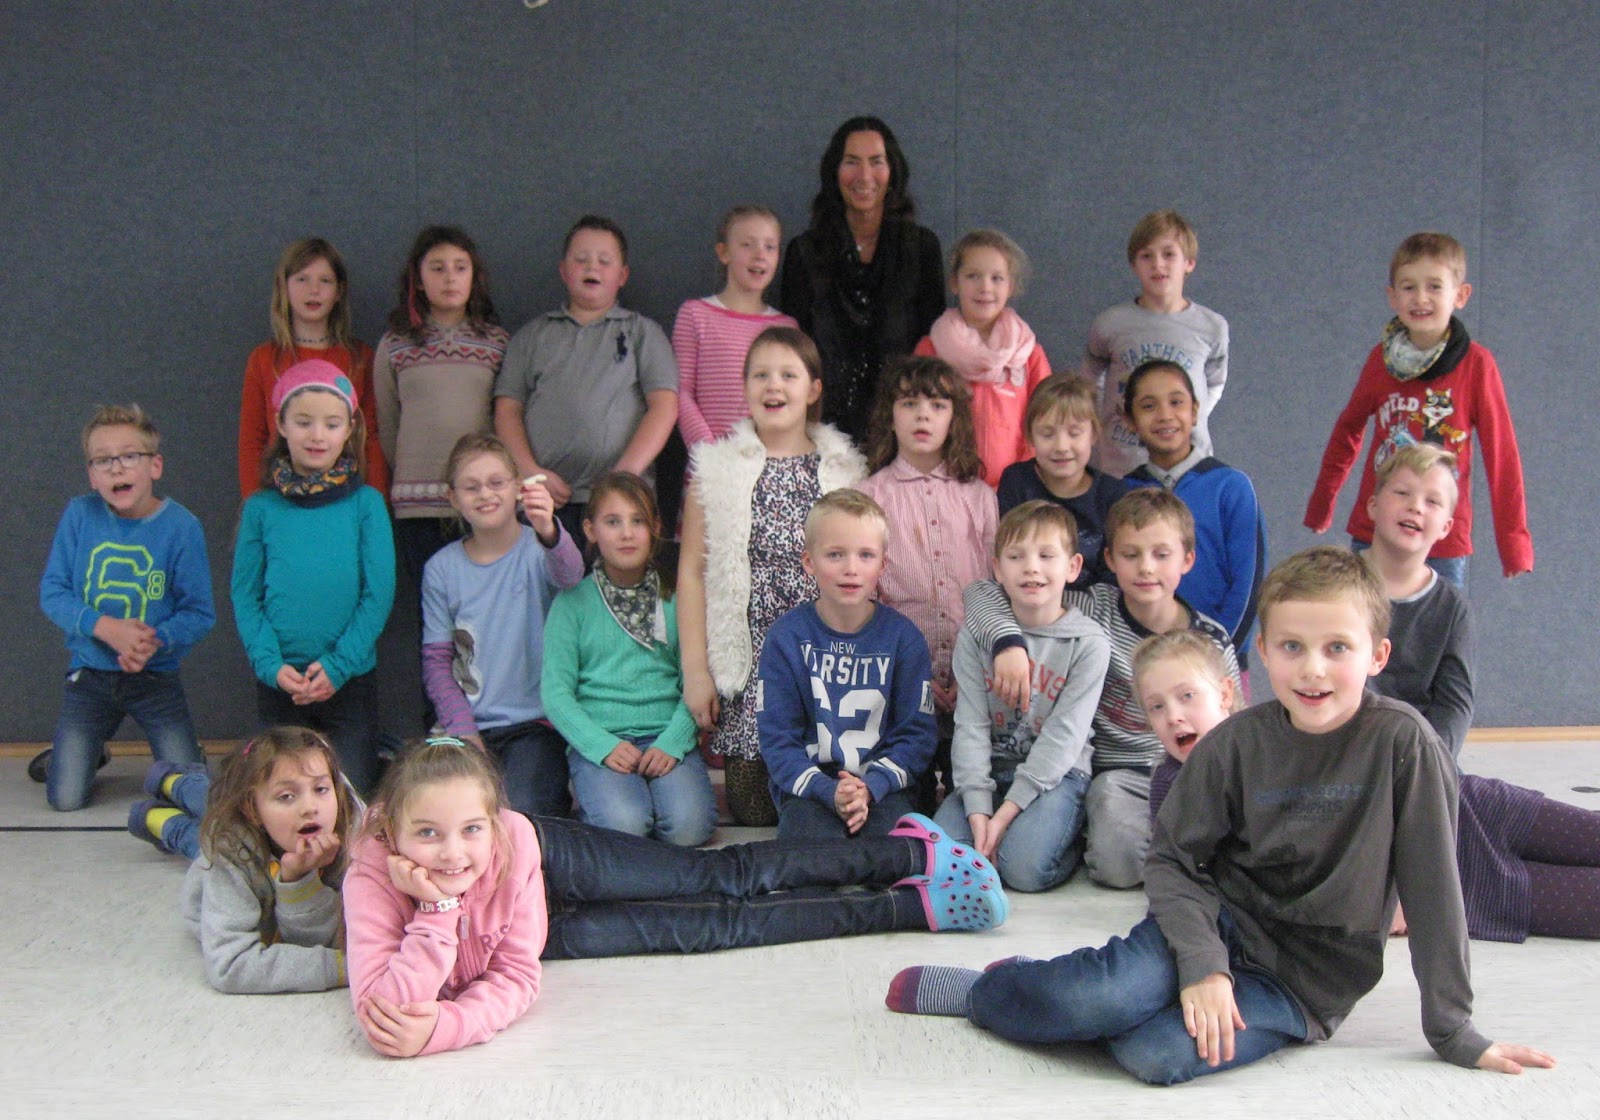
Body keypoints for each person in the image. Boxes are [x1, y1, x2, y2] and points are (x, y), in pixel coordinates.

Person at [888, 547, 1556, 1085]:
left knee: (1155, 1055)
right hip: (1215, 924)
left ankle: (1089, 995)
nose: (1313, 670)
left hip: (1303, 984)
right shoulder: (1234, 745)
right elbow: (1173, 860)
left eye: (1337, 648)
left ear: (1377, 655)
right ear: (1261, 652)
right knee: (1093, 1002)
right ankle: (1000, 989)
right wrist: (1205, 965)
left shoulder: (1405, 744)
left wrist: (1453, 1030)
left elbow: (1435, 889)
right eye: (1291, 647)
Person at [345, 738, 1007, 1057]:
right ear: (390, 833)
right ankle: (908, 907)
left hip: (546, 866)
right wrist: (437, 917)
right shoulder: (372, 878)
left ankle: (907, 853)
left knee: (717, 876)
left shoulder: (509, 838)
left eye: (469, 829)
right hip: (546, 937)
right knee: (719, 928)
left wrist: (443, 1016)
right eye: (427, 834)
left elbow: (503, 975)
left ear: (492, 822)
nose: (452, 853)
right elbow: (393, 1011)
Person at [1363, 443, 1600, 941]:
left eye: (1432, 501)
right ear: (1372, 505)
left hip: (1452, 794)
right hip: (1420, 842)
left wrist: (1426, 772)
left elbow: (1455, 707)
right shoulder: (1332, 588)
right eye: (1402, 493)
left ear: (1447, 526)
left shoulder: (1452, 608)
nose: (1415, 507)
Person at [963, 488, 1240, 888]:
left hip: (1193, 771)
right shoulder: (1095, 607)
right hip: (1117, 776)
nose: (1146, 568)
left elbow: (1235, 721)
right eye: (1131, 555)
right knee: (1115, 868)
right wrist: (1007, 642)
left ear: (1187, 560)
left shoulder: (1211, 639)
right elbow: (982, 592)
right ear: (1109, 559)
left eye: (1161, 555)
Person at [678, 326, 866, 825]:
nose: (773, 385)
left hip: (824, 663)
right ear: (744, 388)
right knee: (756, 811)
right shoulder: (714, 469)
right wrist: (696, 671)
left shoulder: (844, 469)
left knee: (826, 802)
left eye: (788, 374)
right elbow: (692, 573)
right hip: (751, 667)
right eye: (760, 375)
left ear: (813, 389)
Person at [1305, 231, 1533, 586]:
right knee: (1362, 617)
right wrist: (1323, 502)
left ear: (1461, 295)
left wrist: (1514, 542)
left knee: (1437, 621)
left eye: (1434, 287)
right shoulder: (1380, 361)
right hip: (1375, 531)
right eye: (1409, 287)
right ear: (1393, 297)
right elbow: (1348, 428)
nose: (1421, 298)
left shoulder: (1477, 365)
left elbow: (1501, 454)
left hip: (1440, 541)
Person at [36, 405, 214, 808]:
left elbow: (199, 613)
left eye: (130, 456)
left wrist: (154, 640)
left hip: (155, 677)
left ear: (155, 465)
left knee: (190, 793)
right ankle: (84, 751)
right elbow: (53, 591)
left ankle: (188, 752)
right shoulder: (80, 515)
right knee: (65, 798)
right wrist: (106, 628)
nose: (117, 468)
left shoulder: (182, 527)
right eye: (103, 460)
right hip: (90, 675)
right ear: (92, 475)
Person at [232, 360, 395, 795]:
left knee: (349, 799)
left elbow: (378, 595)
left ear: (349, 429)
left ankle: (374, 755)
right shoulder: (261, 507)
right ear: (281, 425)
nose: (317, 435)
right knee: (279, 796)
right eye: (304, 422)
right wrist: (271, 666)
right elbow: (246, 596)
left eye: (331, 424)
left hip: (348, 680)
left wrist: (339, 665)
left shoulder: (366, 504)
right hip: (281, 682)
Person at [936, 502, 1109, 891]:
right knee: (943, 862)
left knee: (1023, 871)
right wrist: (979, 810)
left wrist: (1003, 818)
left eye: (1046, 556)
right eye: (1016, 557)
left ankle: (1066, 833)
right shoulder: (976, 636)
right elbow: (970, 726)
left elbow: (1064, 738)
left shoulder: (1089, 643)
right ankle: (1011, 832)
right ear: (998, 569)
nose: (1031, 568)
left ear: (1073, 567)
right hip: (992, 768)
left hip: (1057, 775)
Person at [542, 473, 716, 846]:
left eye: (638, 521)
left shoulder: (676, 599)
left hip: (664, 735)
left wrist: (674, 741)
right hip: (603, 739)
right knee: (625, 826)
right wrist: (600, 746)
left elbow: (695, 679)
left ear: (656, 529)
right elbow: (555, 694)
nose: (626, 533)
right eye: (613, 522)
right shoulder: (572, 604)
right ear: (590, 530)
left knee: (688, 829)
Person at [757, 489, 937, 840]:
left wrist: (871, 787)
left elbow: (916, 735)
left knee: (892, 853)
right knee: (809, 853)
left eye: (866, 555)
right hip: (812, 790)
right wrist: (828, 791)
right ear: (809, 562)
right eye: (835, 554)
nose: (851, 569)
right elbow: (778, 739)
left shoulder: (904, 639)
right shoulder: (786, 639)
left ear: (883, 565)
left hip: (885, 788)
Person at [859, 354, 996, 810]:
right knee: (902, 809)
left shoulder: (980, 497)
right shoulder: (869, 496)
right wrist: (913, 677)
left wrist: (969, 674)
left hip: (972, 688)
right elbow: (866, 603)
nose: (923, 415)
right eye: (909, 404)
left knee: (969, 802)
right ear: (889, 415)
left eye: (937, 405)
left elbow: (995, 591)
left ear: (955, 418)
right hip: (898, 691)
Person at [421, 433, 583, 818]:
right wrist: (463, 730)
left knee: (521, 811)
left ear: (518, 488)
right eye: (471, 487)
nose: (485, 494)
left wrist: (549, 529)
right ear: (453, 498)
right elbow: (437, 662)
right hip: (465, 725)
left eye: (497, 482)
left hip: (536, 724)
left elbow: (571, 575)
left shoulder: (538, 547)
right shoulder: (441, 569)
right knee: (447, 810)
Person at [128, 728, 362, 993]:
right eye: (286, 796)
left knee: (210, 823)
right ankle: (173, 789)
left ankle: (168, 811)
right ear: (252, 810)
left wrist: (298, 881)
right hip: (234, 847)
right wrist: (352, 968)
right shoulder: (227, 854)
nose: (310, 807)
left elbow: (318, 939)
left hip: (259, 831)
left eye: (320, 789)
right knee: (209, 824)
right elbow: (230, 965)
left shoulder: (355, 833)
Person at [494, 215, 679, 543]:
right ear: (563, 270)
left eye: (604, 261)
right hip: (544, 500)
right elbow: (507, 409)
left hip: (621, 504)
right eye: (581, 259)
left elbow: (665, 406)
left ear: (622, 276)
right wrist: (529, 471)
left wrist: (623, 476)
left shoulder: (643, 333)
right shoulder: (532, 336)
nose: (592, 267)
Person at [778, 116, 944, 443]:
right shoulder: (805, 252)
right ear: (834, 171)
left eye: (876, 162)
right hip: (822, 431)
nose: (864, 176)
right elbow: (794, 351)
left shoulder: (922, 248)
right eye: (851, 161)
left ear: (893, 171)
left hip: (903, 430)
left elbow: (932, 349)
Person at [374, 226, 510, 588]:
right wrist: (413, 473)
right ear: (418, 280)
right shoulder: (395, 344)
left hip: (483, 502)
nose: (450, 277)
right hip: (417, 504)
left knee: (485, 606)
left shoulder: (497, 343)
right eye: (437, 268)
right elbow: (387, 423)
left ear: (474, 278)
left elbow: (506, 420)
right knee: (432, 608)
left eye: (460, 267)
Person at [1122, 358, 1265, 658]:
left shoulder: (1231, 487)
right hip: (1142, 661)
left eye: (1176, 402)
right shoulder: (1123, 492)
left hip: (1218, 660)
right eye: (1148, 406)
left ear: (1195, 411)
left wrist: (1217, 654)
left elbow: (1248, 585)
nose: (1165, 415)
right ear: (1130, 420)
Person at [1083, 209, 1228, 479]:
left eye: (1168, 254)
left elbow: (1214, 384)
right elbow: (1091, 383)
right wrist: (1120, 416)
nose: (1158, 264)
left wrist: (1182, 420)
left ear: (1189, 263)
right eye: (1146, 256)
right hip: (1122, 463)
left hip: (1188, 466)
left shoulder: (1212, 327)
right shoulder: (1110, 324)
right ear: (1134, 265)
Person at [237, 238, 387, 499]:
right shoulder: (264, 359)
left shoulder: (360, 359)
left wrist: (376, 503)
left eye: (325, 281)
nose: (314, 290)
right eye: (302, 279)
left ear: (339, 291)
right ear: (284, 286)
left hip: (346, 500)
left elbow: (372, 439)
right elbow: (252, 441)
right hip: (280, 500)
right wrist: (255, 506)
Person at [912, 229, 1051, 486]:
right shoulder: (931, 350)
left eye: (997, 278)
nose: (985, 287)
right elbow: (916, 422)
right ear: (955, 283)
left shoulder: (1029, 354)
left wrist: (1022, 478)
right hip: (947, 487)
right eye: (973, 276)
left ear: (1011, 286)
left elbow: (1045, 420)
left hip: (1014, 490)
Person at [674, 205, 800, 450]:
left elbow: (791, 402)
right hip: (711, 463)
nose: (760, 255)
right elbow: (682, 392)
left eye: (770, 247)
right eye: (747, 245)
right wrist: (710, 453)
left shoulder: (787, 327)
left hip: (768, 461)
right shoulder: (696, 314)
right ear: (724, 252)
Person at [996, 374, 1130, 589]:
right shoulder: (1017, 481)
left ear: (1094, 434)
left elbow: (1113, 574)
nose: (1061, 446)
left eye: (1074, 433)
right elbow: (1008, 555)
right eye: (1047, 434)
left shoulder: (1112, 495)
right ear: (1030, 436)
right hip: (1026, 597)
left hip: (1094, 606)